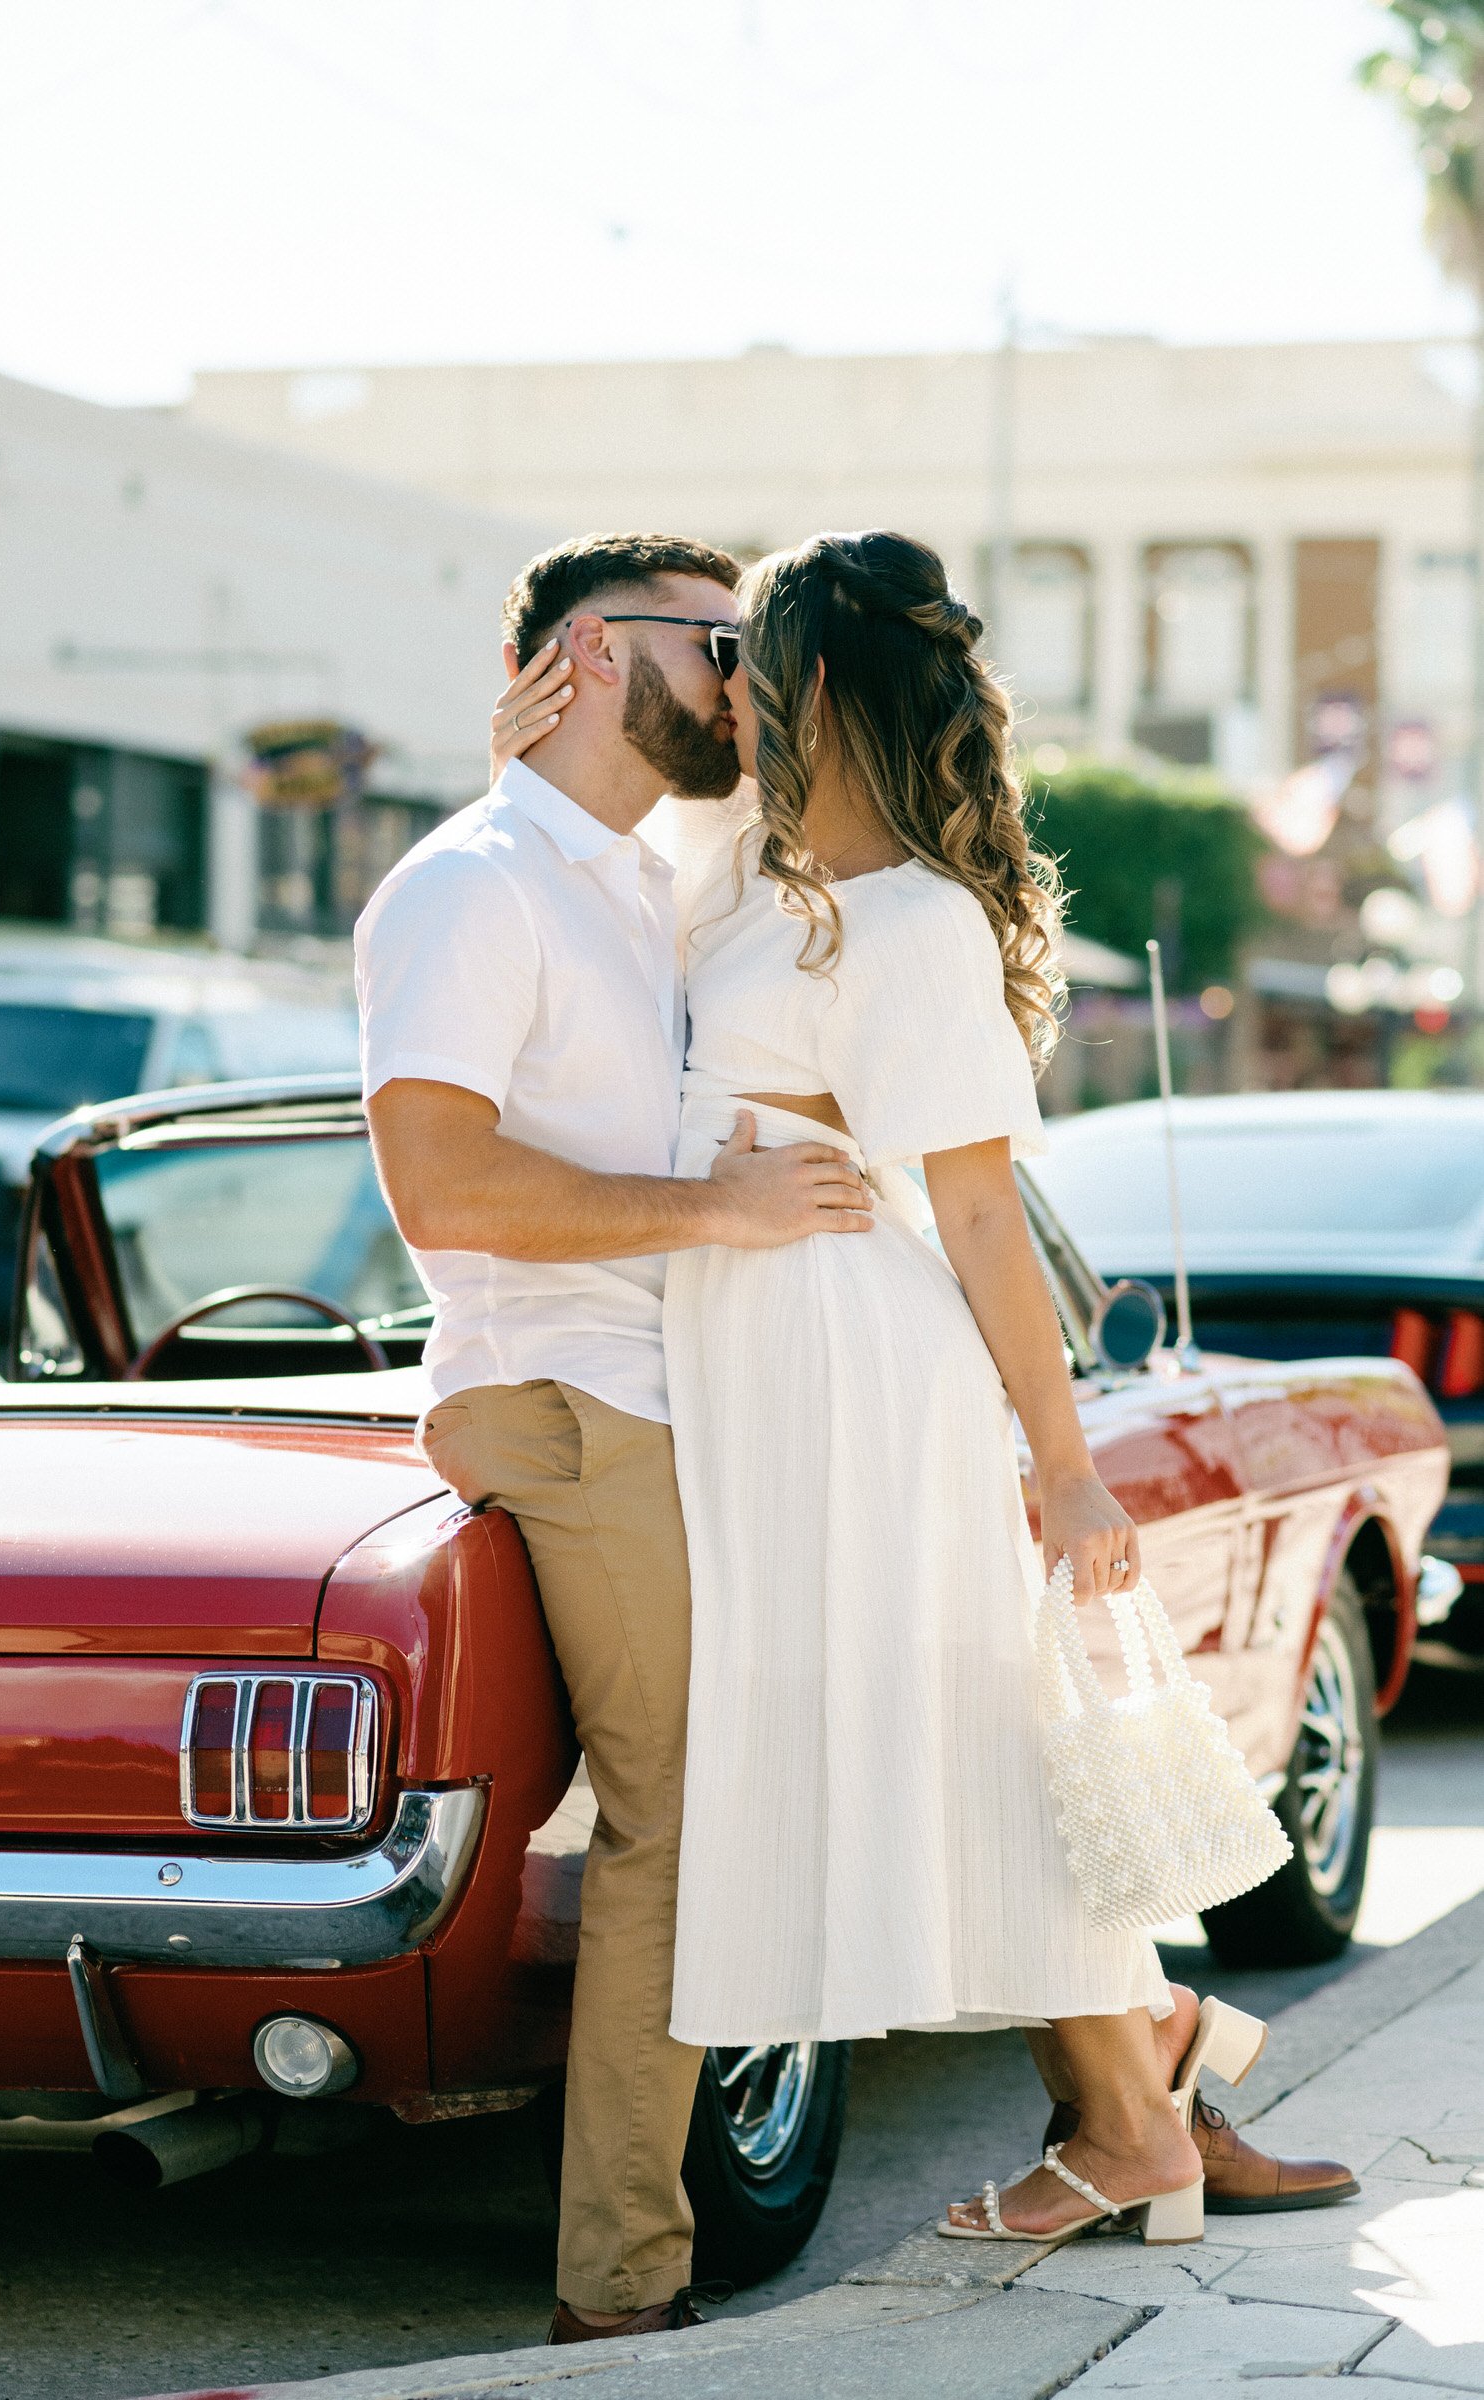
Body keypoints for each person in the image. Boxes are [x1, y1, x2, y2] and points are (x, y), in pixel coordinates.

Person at [492, 528, 1355, 2250]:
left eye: (750, 658)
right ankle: (1148, 2077)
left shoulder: (911, 918)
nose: (721, 686)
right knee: (924, 1732)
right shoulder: (750, 870)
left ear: (809, 685)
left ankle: (1135, 2112)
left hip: (854, 1364)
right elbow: (576, 863)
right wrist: (514, 755)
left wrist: (1068, 1463)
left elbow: (972, 1209)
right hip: (751, 1346)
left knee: (955, 1729)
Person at [353, 534, 875, 2346]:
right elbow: (440, 1181)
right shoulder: (476, 887)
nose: (747, 678)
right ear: (590, 651)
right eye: (719, 644)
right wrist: (712, 1211)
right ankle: (620, 2292)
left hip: (670, 1392)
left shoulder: (637, 876)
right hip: (575, 1394)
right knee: (682, 1819)